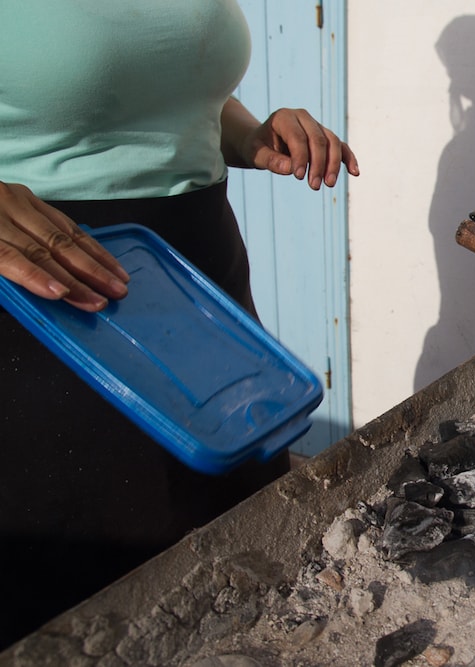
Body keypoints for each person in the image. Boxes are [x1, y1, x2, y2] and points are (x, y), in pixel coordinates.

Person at [0, 1, 358, 648]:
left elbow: (173, 93)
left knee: (236, 565)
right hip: (52, 299)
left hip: (199, 284)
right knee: (84, 606)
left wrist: (248, 132)